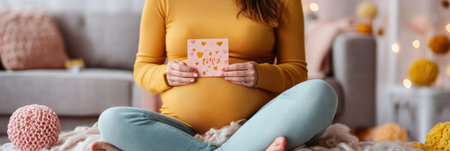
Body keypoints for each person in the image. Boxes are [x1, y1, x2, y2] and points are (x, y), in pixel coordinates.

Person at [91, 0, 338, 150]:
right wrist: (166, 73)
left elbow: (297, 71)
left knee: (320, 93)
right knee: (112, 120)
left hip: (254, 126)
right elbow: (143, 67)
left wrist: (261, 74)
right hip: (181, 129)